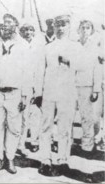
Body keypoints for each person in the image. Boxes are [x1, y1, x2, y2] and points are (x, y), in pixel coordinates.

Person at [37, 14, 82, 177]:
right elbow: (40, 71)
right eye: (58, 25)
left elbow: (83, 66)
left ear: (69, 27)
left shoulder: (75, 46)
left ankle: (63, 160)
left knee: (64, 127)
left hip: (67, 92)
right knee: (46, 126)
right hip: (49, 91)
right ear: (53, 27)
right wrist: (39, 93)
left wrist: (68, 61)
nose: (60, 28)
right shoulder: (47, 47)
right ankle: (45, 160)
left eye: (64, 25)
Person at [0, 13, 28, 175]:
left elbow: (26, 72)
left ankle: (10, 158)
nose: (6, 25)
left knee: (14, 127)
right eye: (4, 23)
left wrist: (24, 95)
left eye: (9, 22)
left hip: (15, 93)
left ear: (16, 25)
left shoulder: (22, 45)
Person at [75, 20, 103, 156]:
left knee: (88, 117)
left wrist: (96, 89)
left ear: (91, 30)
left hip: (88, 86)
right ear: (78, 30)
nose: (85, 30)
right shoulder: (73, 45)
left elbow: (97, 69)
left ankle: (87, 145)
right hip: (72, 85)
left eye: (88, 28)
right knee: (70, 116)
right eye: (82, 28)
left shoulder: (95, 47)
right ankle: (68, 142)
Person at [18, 22, 44, 155]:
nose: (28, 33)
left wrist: (38, 91)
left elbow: (40, 70)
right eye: (25, 30)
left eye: (30, 30)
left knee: (34, 116)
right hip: (19, 87)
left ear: (34, 32)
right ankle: (20, 144)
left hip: (33, 88)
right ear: (20, 32)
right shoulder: (17, 45)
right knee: (21, 117)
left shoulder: (38, 47)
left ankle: (34, 141)